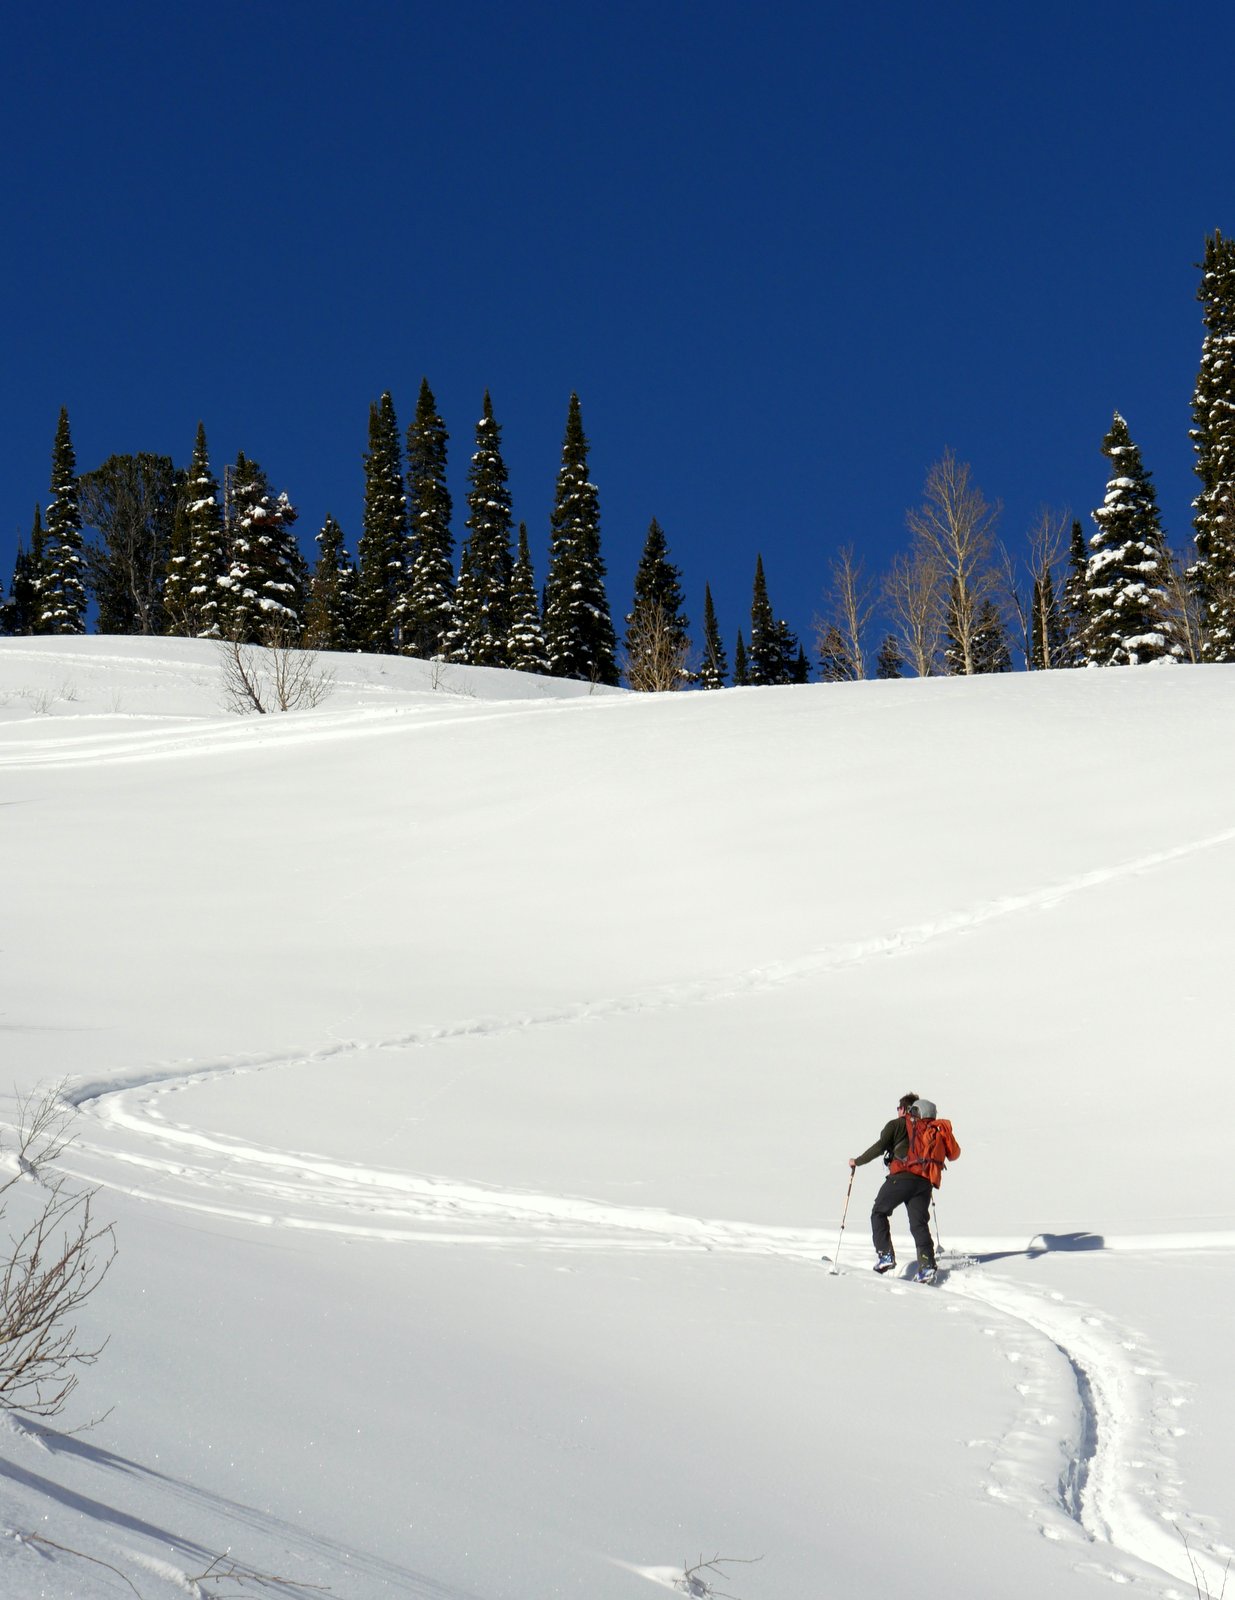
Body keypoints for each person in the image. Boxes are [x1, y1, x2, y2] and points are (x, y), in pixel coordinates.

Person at [849, 1093, 939, 1283]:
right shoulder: (927, 1128)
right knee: (919, 1224)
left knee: (879, 1212)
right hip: (924, 1182)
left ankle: (885, 1255)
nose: (898, 1111)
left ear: (905, 1109)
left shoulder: (897, 1124)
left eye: (899, 1108)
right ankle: (927, 1265)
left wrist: (857, 1161)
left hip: (902, 1178)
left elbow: (880, 1147)